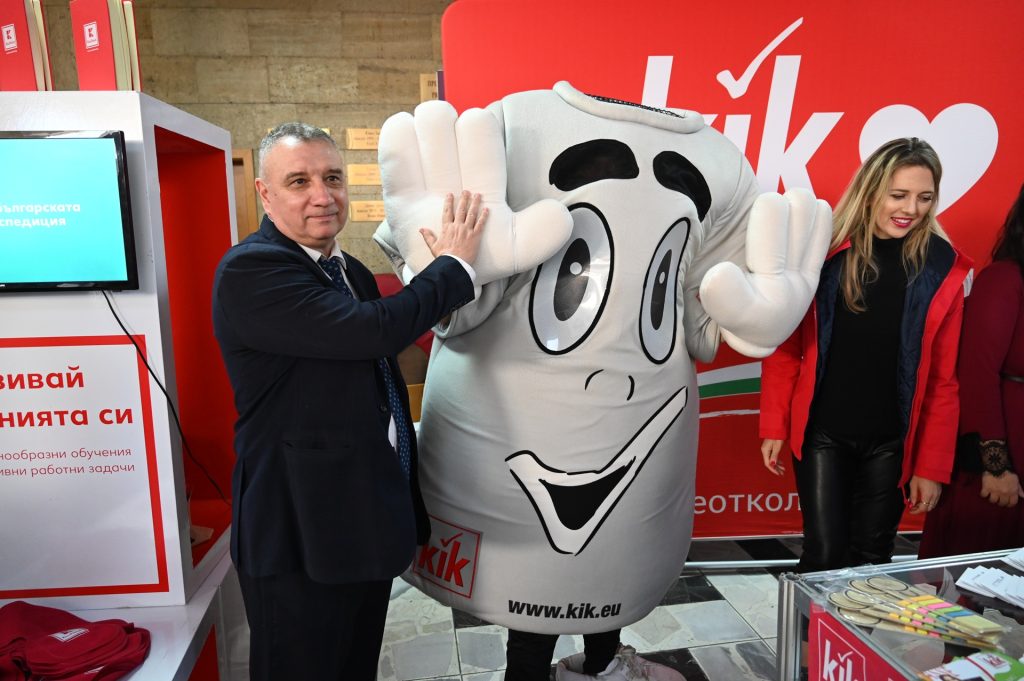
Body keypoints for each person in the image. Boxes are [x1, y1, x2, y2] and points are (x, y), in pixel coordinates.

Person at [211, 122, 488, 680]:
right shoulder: (252, 269)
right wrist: (454, 267)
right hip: (298, 534)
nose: (323, 195)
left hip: (361, 526)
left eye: (333, 178)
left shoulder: (348, 270)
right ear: (265, 193)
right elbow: (371, 332)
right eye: (299, 181)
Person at [759, 137, 971, 572]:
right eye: (899, 195)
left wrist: (930, 466)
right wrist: (774, 424)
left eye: (924, 198)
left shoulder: (942, 268)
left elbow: (942, 380)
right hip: (823, 435)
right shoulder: (824, 254)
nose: (911, 209)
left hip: (891, 444)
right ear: (871, 191)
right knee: (823, 556)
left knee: (873, 562)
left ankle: (855, 624)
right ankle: (808, 623)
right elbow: (786, 348)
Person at [919, 183, 1024, 558]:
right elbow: (976, 374)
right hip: (1003, 467)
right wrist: (995, 467)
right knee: (976, 580)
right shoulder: (1005, 280)